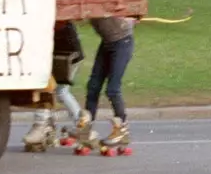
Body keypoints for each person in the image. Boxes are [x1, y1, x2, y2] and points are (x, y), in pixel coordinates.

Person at [23, 21, 86, 150]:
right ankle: (49, 127)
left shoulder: (62, 25)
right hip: (59, 57)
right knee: (51, 90)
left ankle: (82, 125)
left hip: (69, 57)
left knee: (61, 91)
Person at [83, 15, 135, 153]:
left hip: (123, 42)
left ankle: (122, 129)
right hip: (107, 42)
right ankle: (86, 129)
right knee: (93, 87)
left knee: (112, 89)